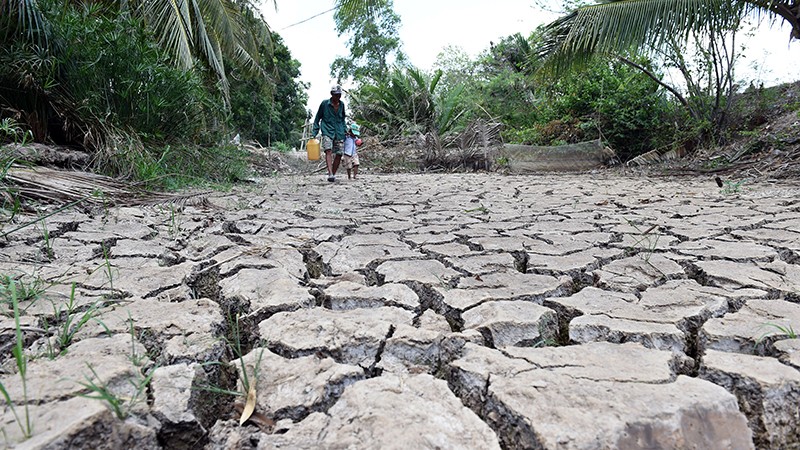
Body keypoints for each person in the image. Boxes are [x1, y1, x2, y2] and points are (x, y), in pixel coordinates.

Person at [311, 85, 347, 182]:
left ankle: (333, 174)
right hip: (327, 130)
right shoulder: (324, 104)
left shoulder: (342, 105)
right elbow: (317, 118)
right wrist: (314, 132)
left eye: (339, 95)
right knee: (328, 150)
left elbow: (343, 119)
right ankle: (330, 173)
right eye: (336, 95)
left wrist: (345, 129)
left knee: (339, 154)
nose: (338, 97)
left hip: (339, 131)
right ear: (332, 94)